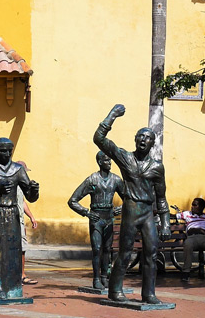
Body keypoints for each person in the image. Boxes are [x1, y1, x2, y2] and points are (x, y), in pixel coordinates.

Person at [94, 104, 171, 305]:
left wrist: (165, 223)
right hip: (130, 208)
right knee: (125, 252)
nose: (143, 140)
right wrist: (112, 116)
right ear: (135, 140)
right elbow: (99, 139)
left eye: (147, 138)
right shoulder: (125, 158)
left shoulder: (157, 167)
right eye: (140, 136)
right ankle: (115, 290)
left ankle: (149, 294)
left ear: (153, 143)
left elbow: (161, 197)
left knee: (152, 253)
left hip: (147, 212)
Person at [0, 137, 39, 301]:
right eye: (3, 150)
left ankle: (13, 289)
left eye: (10, 150)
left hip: (12, 215)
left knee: (13, 253)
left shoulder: (18, 169)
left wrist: (34, 190)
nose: (7, 153)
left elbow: (30, 197)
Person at [68, 151, 125, 290]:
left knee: (107, 249)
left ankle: (105, 277)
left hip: (109, 218)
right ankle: (96, 278)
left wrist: (121, 209)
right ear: (100, 162)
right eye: (106, 160)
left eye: (110, 160)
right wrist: (86, 212)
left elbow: (129, 199)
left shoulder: (116, 180)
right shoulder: (92, 180)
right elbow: (72, 201)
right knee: (97, 249)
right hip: (96, 218)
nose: (109, 163)